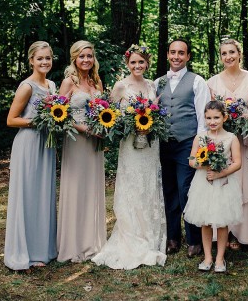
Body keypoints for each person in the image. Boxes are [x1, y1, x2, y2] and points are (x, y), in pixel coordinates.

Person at [92, 45, 167, 269]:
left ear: (147, 63)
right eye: (133, 62)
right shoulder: (120, 86)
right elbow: (110, 116)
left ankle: (149, 235)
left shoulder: (153, 85)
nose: (137, 66)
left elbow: (157, 114)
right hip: (130, 146)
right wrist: (128, 124)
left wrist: (150, 124)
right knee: (132, 186)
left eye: (141, 62)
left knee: (149, 185)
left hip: (151, 145)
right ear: (127, 64)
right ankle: (130, 234)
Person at [4, 41, 57, 270]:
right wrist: (38, 122)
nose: (44, 62)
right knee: (27, 195)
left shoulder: (52, 86)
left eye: (48, 58)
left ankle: (42, 250)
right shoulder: (26, 86)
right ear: (31, 61)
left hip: (47, 145)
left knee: (43, 195)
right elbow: (11, 120)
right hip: (28, 144)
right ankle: (24, 252)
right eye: (40, 59)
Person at [155, 38, 211, 258]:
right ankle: (172, 237)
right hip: (163, 144)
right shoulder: (158, 82)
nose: (176, 56)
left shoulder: (197, 81)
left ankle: (194, 239)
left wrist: (199, 147)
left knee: (186, 190)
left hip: (188, 143)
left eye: (181, 53)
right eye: (172, 52)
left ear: (188, 56)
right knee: (168, 191)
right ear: (168, 55)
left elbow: (202, 119)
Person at [207, 39, 248, 250]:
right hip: (222, 142)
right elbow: (210, 114)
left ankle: (242, 234)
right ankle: (222, 232)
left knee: (242, 183)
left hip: (245, 141)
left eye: (231, 52)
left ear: (239, 53)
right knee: (223, 184)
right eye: (223, 53)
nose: (228, 56)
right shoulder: (212, 83)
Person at [57, 40, 106, 263]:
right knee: (76, 188)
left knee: (92, 188)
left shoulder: (97, 82)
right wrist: (83, 128)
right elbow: (58, 112)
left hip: (95, 143)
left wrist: (104, 129)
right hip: (76, 141)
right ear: (74, 58)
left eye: (89, 56)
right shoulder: (69, 82)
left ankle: (91, 242)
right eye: (82, 56)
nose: (86, 60)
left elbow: (105, 111)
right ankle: (73, 244)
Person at [183, 100, 242, 273]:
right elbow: (192, 160)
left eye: (216, 117)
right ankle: (207, 257)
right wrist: (203, 163)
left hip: (223, 184)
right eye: (208, 118)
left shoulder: (231, 138)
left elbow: (237, 163)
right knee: (205, 222)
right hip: (203, 184)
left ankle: (220, 258)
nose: (212, 121)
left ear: (224, 117)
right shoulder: (200, 138)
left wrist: (220, 173)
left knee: (222, 222)